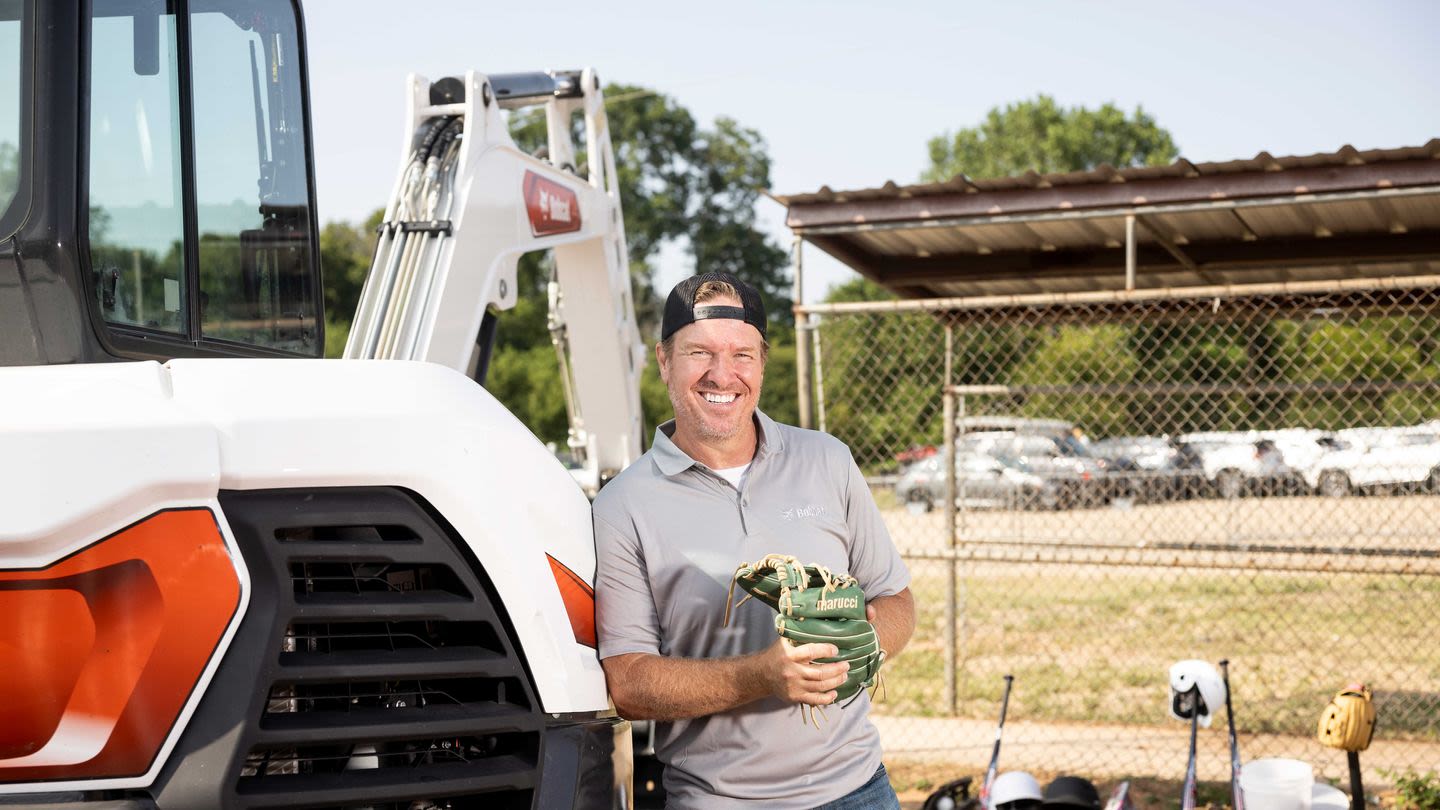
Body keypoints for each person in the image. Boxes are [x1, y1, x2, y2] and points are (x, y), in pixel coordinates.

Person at [593, 271, 915, 809]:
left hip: (859, 788)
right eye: (700, 352)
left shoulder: (827, 460)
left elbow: (896, 599)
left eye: (742, 354)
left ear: (762, 362)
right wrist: (761, 675)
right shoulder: (622, 506)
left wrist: (867, 644)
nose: (723, 374)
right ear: (664, 360)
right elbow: (627, 683)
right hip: (719, 800)